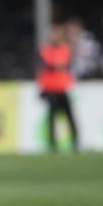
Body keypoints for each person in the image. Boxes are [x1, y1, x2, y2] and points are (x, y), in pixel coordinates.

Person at [37, 23, 79, 153]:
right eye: (52, 34)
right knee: (52, 118)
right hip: (50, 89)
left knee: (69, 117)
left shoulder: (65, 49)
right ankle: (52, 144)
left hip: (62, 88)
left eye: (56, 34)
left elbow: (63, 65)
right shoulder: (44, 50)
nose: (53, 37)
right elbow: (46, 67)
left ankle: (75, 143)